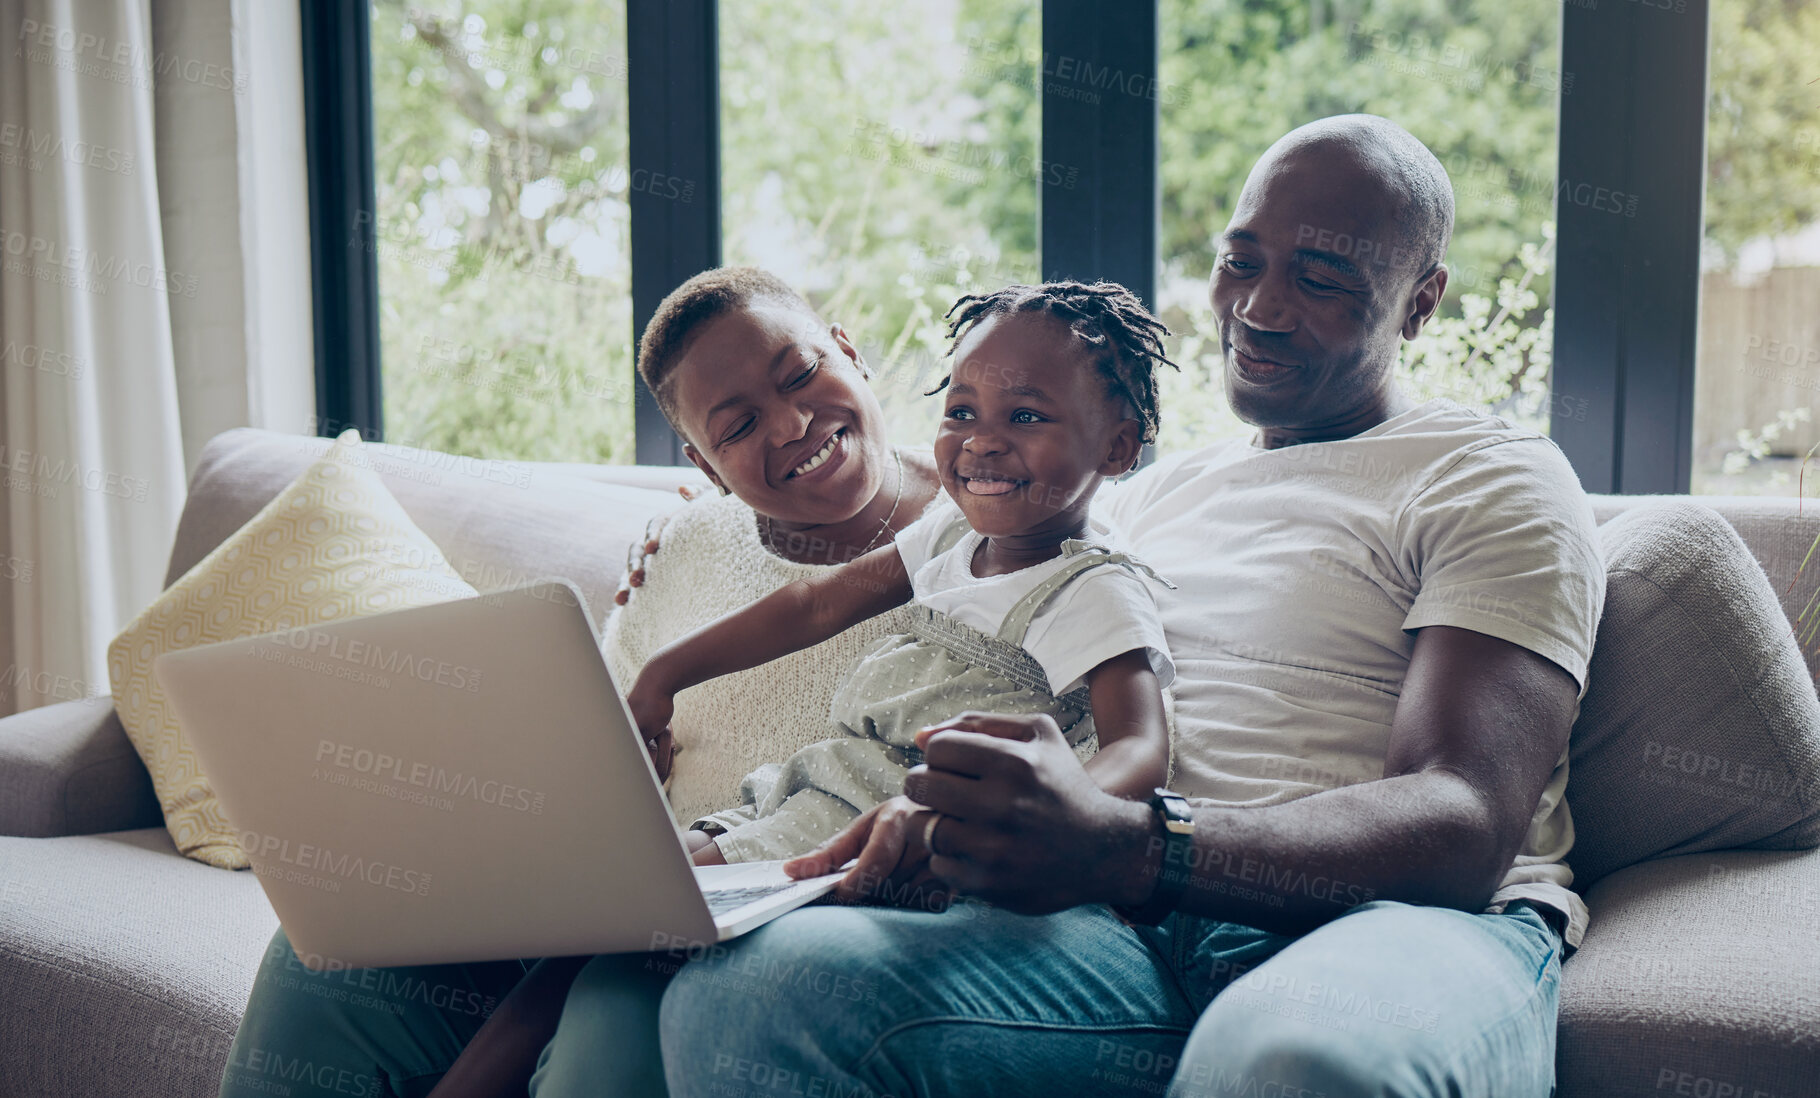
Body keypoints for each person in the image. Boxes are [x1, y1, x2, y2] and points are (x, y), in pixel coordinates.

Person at [541, 114, 1606, 1098]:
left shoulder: (1487, 474)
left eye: (1319, 277)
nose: (1258, 307)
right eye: (1239, 262)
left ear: (1421, 298)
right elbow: (943, 533)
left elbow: (1460, 819)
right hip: (1127, 931)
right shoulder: (1137, 493)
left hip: (1378, 925)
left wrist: (1131, 843)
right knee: (760, 989)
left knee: (1288, 1061)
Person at [215, 266, 946, 1098]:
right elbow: (602, 743)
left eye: (801, 373)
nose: (791, 422)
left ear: (848, 350)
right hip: (621, 895)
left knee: (610, 1019)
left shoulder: (989, 535)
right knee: (323, 957)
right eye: (738, 425)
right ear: (705, 465)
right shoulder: (689, 542)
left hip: (765, 918)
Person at [627, 281, 1179, 868]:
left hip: (911, 820)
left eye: (1024, 416)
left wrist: (1052, 821)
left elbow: (1140, 747)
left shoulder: (1093, 588)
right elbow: (815, 604)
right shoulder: (953, 535)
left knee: (664, 887)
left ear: (1118, 449)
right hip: (825, 784)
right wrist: (662, 675)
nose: (983, 441)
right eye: (961, 412)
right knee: (636, 870)